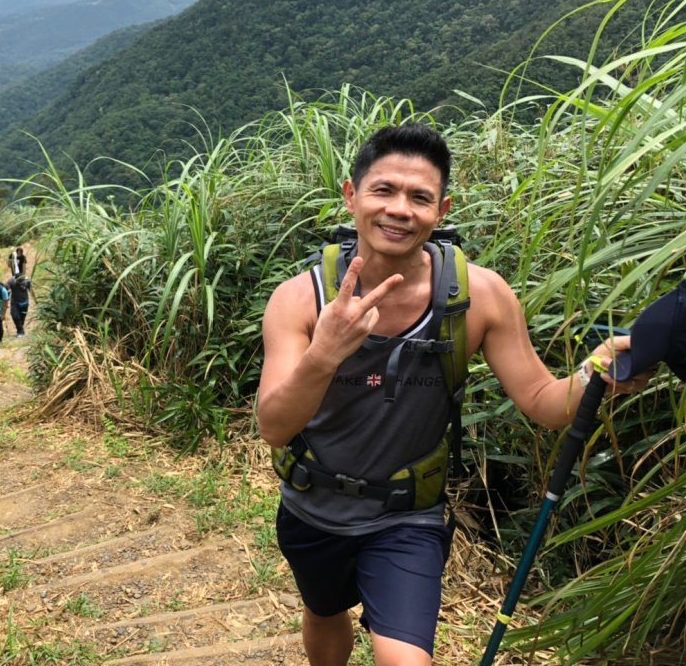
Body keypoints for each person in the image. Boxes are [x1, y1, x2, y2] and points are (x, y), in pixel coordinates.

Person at [256, 123, 652, 666]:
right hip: (312, 508)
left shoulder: (479, 297)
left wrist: (596, 367)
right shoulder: (300, 300)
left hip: (406, 516)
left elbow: (543, 399)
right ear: (352, 196)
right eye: (383, 190)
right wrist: (324, 353)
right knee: (324, 613)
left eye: (420, 198)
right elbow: (274, 426)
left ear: (442, 211)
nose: (400, 209)